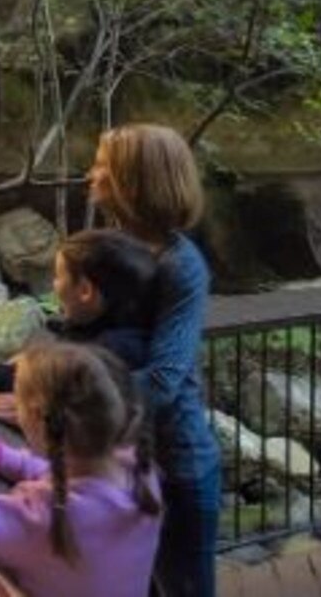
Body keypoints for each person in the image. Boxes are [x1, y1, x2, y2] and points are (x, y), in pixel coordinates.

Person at [0, 342, 162, 597]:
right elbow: (73, 477)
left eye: (17, 403)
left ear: (36, 417)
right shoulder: (139, 470)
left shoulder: (40, 517)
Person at [88, 123, 221, 597]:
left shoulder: (181, 266)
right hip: (122, 459)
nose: (92, 175)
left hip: (178, 462)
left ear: (134, 178)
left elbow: (164, 379)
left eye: (102, 165)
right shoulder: (112, 249)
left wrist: (74, 403)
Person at [0, 228, 159, 412]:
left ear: (85, 291)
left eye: (57, 277)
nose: (54, 285)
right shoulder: (110, 322)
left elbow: (57, 383)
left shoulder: (115, 349)